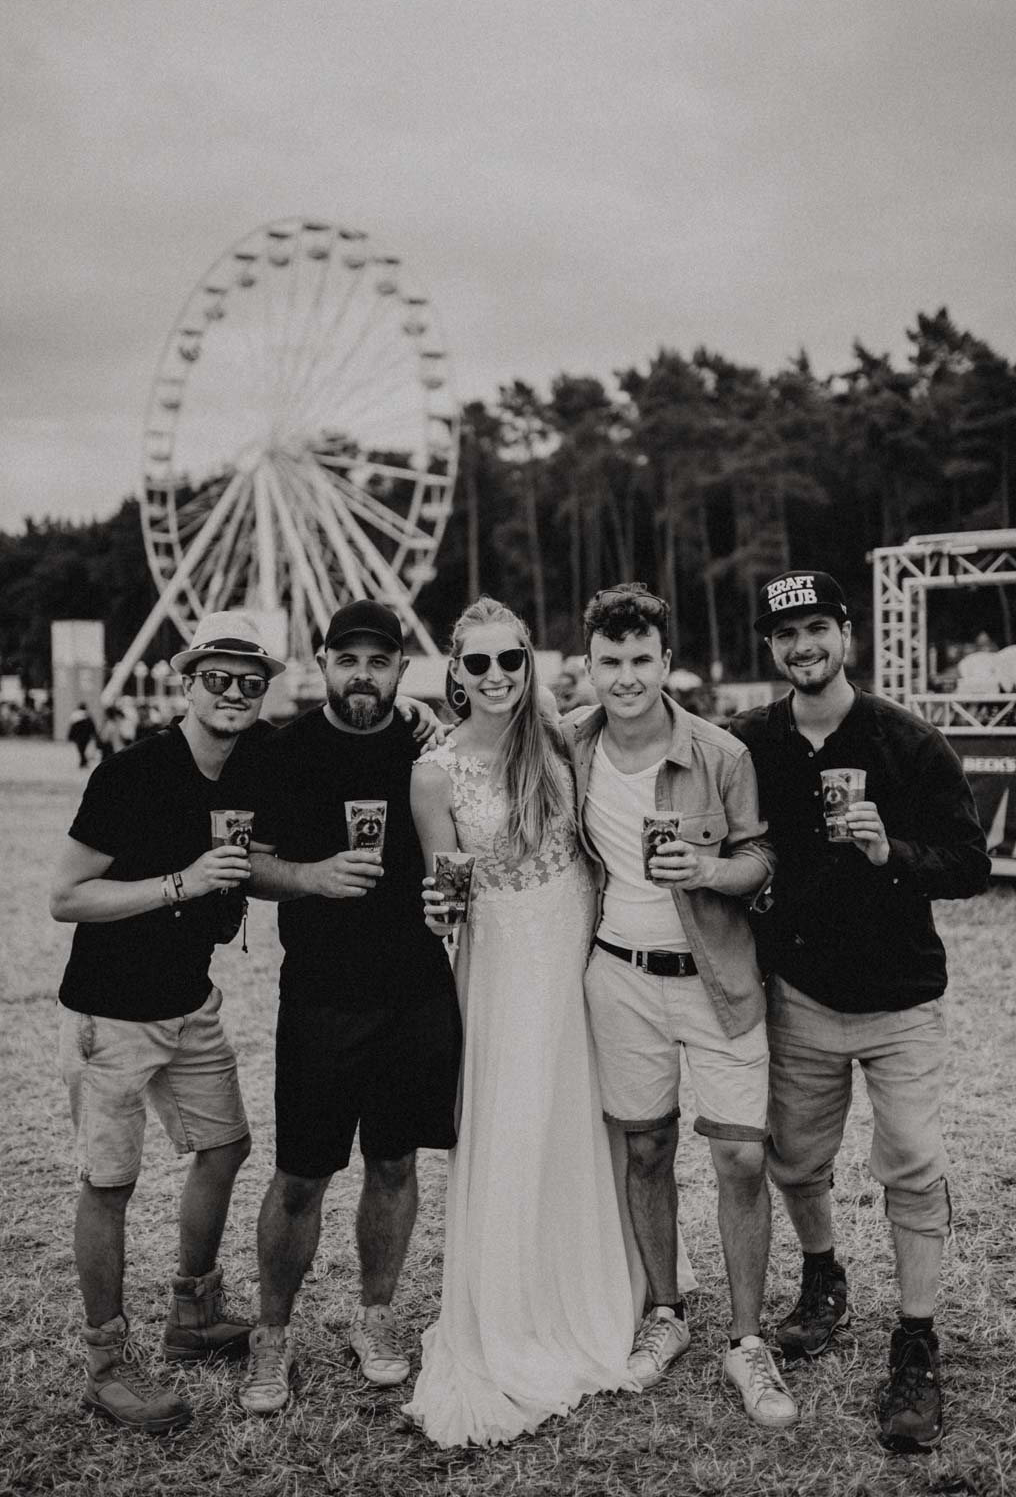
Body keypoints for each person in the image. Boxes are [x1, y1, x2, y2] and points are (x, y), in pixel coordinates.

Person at [730, 570, 991, 1454]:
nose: (802, 646)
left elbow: (969, 863)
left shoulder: (907, 741)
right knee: (795, 1162)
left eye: (815, 627)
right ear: (769, 648)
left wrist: (892, 851)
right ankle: (823, 1276)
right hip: (801, 992)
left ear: (846, 631)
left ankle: (916, 1340)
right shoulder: (750, 742)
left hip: (902, 998)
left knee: (913, 1164)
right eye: (784, 634)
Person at [403, 596, 639, 1447]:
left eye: (511, 660)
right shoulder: (435, 772)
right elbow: (446, 885)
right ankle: (509, 1312)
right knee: (512, 1119)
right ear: (455, 676)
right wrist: (438, 911)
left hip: (578, 938)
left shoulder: (564, 740)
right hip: (501, 957)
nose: (497, 676)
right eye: (478, 664)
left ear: (529, 662)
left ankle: (601, 1284)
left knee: (584, 1111)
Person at [561, 583, 798, 1430]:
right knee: (648, 1147)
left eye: (640, 661)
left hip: (717, 978)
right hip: (617, 976)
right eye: (610, 662)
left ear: (667, 663)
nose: (626, 678)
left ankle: (746, 1340)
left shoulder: (719, 754)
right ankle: (665, 1312)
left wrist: (705, 873)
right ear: (587, 668)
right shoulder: (570, 748)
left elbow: (761, 856)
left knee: (740, 1158)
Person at [49, 611, 285, 1434]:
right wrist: (180, 883)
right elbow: (67, 896)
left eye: (250, 682)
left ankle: (192, 1313)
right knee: (109, 1184)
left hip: (190, 1002)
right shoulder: (129, 773)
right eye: (216, 677)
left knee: (225, 1147)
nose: (233, 693)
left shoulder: (252, 763)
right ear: (185, 682)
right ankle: (105, 1366)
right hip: (110, 1011)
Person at [238, 600, 462, 1416]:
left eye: (379, 661)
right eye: (347, 659)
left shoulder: (428, 741)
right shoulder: (286, 750)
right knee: (302, 1173)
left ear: (403, 670)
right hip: (322, 992)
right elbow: (248, 863)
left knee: (395, 1161)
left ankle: (376, 1315)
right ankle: (272, 1332)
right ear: (322, 662)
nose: (361, 674)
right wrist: (311, 877)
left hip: (415, 987)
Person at [67, 703, 98, 768]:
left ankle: (83, 762)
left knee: (80, 749)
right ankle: (83, 762)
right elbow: (92, 727)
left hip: (78, 736)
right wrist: (95, 735)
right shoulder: (88, 716)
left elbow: (72, 728)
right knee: (83, 749)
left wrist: (70, 736)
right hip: (86, 735)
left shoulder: (75, 716)